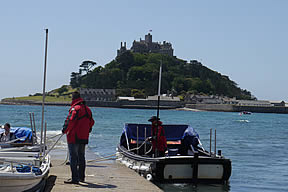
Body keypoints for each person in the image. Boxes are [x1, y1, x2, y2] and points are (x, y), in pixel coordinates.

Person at [62, 91, 94, 184]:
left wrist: (64, 130)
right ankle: (81, 177)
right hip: (84, 137)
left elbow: (70, 121)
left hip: (74, 137)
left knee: (73, 157)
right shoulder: (88, 109)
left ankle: (75, 179)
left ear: (73, 99)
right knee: (82, 157)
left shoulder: (75, 109)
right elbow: (92, 122)